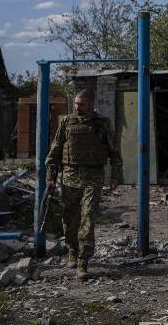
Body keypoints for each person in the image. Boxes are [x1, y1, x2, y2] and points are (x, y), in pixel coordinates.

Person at [46, 89, 121, 279]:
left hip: (93, 177)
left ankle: (83, 261)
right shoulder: (66, 121)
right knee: (70, 218)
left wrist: (115, 174)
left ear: (91, 104)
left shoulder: (102, 123)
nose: (77, 107)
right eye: (76, 103)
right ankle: (72, 249)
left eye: (81, 104)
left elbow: (114, 150)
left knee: (88, 217)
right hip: (70, 176)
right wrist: (50, 176)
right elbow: (55, 148)